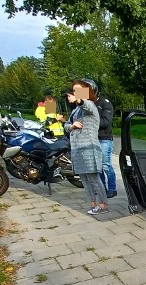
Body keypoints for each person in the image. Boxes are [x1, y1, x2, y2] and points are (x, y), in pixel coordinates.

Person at [64, 79, 108, 215]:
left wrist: (78, 98)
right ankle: (93, 203)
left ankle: (103, 205)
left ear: (86, 91)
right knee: (84, 179)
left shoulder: (90, 105)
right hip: (77, 149)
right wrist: (72, 126)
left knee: (94, 179)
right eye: (74, 90)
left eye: (79, 90)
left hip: (89, 149)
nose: (76, 93)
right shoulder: (76, 111)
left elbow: (84, 103)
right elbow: (66, 124)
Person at [89, 80, 117, 198]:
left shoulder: (104, 103)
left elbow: (105, 122)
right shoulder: (86, 105)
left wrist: (89, 123)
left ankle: (112, 188)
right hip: (92, 139)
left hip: (104, 138)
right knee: (97, 166)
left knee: (105, 165)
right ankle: (102, 188)